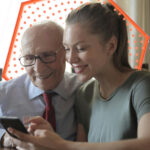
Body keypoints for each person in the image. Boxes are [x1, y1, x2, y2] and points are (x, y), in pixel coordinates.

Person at [7, 2, 150, 150]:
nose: (70, 58)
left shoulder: (142, 85)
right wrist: (48, 142)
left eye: (81, 48)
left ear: (111, 46)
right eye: (67, 49)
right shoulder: (84, 93)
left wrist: (61, 144)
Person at [0, 21, 82, 148]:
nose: (38, 69)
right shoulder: (3, 93)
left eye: (47, 55)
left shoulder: (85, 89)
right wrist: (4, 137)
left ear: (65, 53)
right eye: (29, 58)